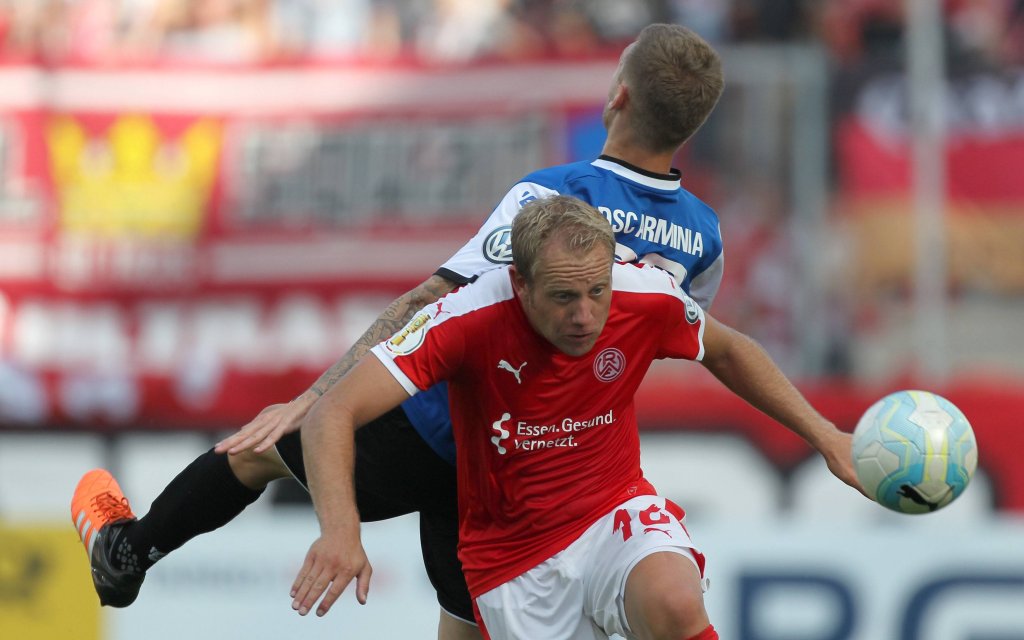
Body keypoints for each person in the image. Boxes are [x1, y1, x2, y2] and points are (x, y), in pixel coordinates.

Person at [71, 23, 728, 639]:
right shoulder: (703, 236)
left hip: (440, 433)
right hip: (534, 469)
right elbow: (664, 337)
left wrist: (319, 395)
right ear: (692, 127)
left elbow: (431, 298)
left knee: (260, 446)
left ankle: (126, 553)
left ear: (618, 96)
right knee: (466, 618)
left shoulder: (554, 195)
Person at [288, 195, 861, 639]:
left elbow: (732, 350)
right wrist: (342, 532)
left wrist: (826, 436)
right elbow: (330, 414)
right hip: (513, 557)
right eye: (564, 297)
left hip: (612, 509)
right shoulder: (464, 317)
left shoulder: (645, 293)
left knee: (676, 603)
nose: (586, 315)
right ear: (520, 284)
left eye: (597, 290)